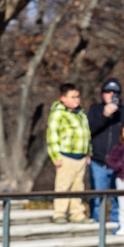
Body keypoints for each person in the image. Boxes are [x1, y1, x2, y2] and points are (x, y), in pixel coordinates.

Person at [86, 78, 124, 225]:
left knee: (117, 196)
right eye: (107, 91)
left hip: (119, 163)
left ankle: (116, 226)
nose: (111, 94)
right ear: (102, 94)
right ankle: (97, 225)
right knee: (97, 196)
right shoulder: (95, 109)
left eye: (115, 92)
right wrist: (105, 115)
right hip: (97, 161)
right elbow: (88, 130)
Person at [45, 83, 91, 224]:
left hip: (80, 156)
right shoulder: (58, 113)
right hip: (66, 155)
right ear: (63, 98)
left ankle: (76, 213)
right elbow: (52, 135)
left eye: (77, 97)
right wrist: (55, 156)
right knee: (63, 186)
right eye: (72, 97)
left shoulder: (81, 114)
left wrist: (88, 152)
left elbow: (86, 134)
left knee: (78, 187)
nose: (76, 100)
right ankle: (59, 213)